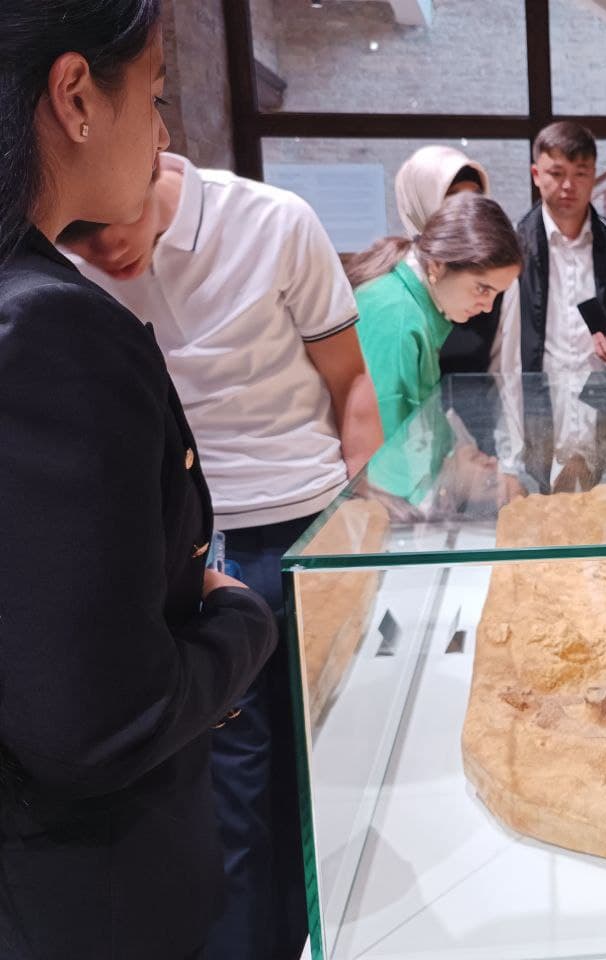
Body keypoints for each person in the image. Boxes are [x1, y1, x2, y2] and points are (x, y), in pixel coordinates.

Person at [0, 3, 276, 958]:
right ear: (76, 94)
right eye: (153, 97)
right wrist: (240, 620)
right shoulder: (48, 331)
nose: (162, 134)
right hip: (84, 897)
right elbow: (100, 723)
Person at [60, 147, 382, 958]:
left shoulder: (274, 222)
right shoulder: (55, 254)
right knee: (222, 787)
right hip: (169, 547)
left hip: (296, 533)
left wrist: (355, 520)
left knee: (316, 768)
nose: (102, 253)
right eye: (78, 239)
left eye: (110, 227)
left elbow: (350, 382)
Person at [496, 121, 606, 492]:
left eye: (580, 173)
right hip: (539, 405)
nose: (568, 186)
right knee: (545, 518)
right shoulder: (512, 247)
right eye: (556, 173)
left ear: (594, 176)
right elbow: (502, 349)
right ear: (536, 174)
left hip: (604, 407)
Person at [350, 192, 524, 503]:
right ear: (438, 264)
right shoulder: (397, 315)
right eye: (483, 288)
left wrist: (457, 454)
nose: (487, 307)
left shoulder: (420, 308)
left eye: (497, 294)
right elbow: (382, 456)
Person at [347, 144, 506, 377]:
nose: (466, 209)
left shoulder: (487, 272)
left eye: (474, 198)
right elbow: (388, 404)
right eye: (452, 198)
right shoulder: (397, 296)